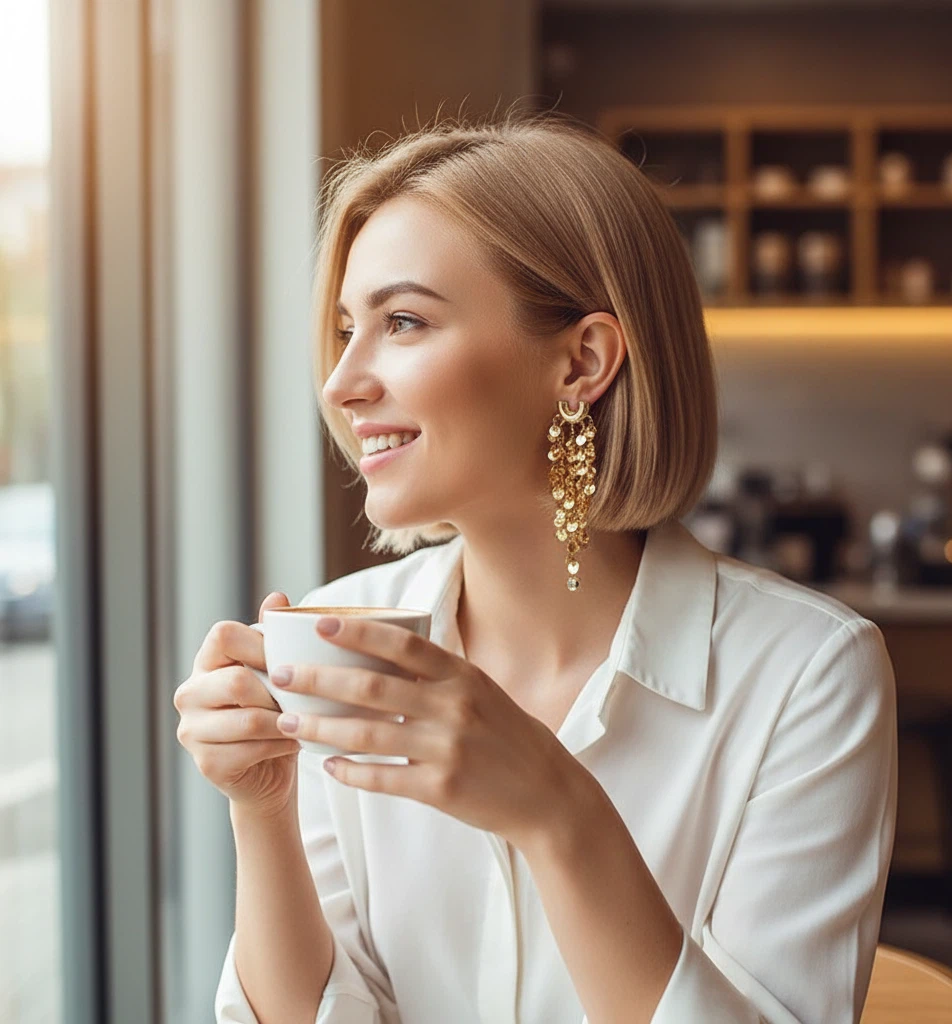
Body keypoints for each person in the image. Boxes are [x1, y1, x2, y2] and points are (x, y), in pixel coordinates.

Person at [174, 108, 897, 1024]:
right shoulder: (338, 632)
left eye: (401, 321)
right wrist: (262, 809)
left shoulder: (807, 675)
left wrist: (557, 814)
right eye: (347, 327)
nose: (342, 380)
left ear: (582, 360)